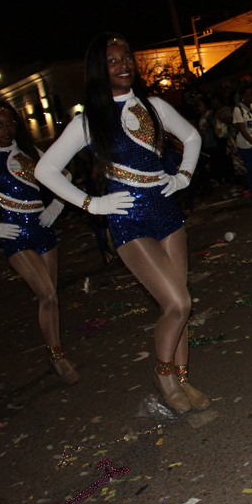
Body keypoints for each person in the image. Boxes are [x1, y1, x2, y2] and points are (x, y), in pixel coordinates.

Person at [35, 33, 210, 413]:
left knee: (178, 300)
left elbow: (193, 137)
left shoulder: (155, 106)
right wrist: (92, 204)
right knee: (178, 303)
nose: (123, 65)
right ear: (100, 69)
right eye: (113, 61)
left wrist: (182, 177)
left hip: (165, 210)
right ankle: (163, 374)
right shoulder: (89, 121)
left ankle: (183, 380)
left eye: (127, 57)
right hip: (127, 218)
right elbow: (45, 169)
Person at [0, 102, 78, 383]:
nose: (6, 130)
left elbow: (65, 175)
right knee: (47, 294)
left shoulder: (31, 152)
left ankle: (56, 351)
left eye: (10, 124)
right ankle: (58, 358)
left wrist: (56, 205)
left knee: (51, 297)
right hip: (14, 234)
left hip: (42, 229)